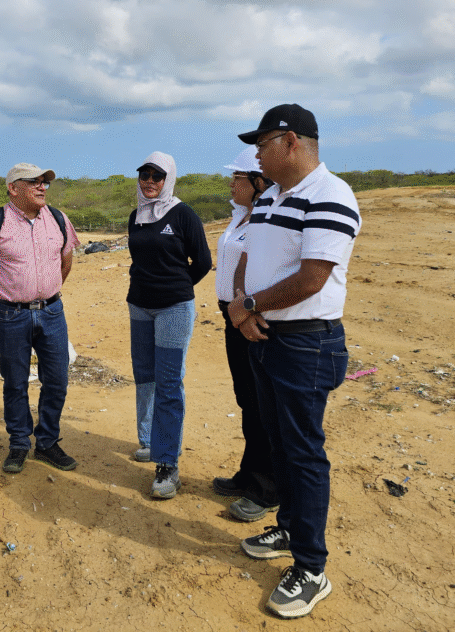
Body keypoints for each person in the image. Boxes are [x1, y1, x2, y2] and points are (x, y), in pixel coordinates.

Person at [227, 104, 361, 619]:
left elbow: (312, 278)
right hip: (264, 335)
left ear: (289, 142)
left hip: (306, 342)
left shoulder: (330, 195)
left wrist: (251, 307)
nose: (256, 153)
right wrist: (242, 309)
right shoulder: (271, 198)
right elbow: (245, 256)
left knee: (303, 451)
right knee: (278, 440)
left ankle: (311, 567)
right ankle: (290, 525)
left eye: (261, 143)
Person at [0, 163, 81, 474]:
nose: (42, 186)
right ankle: (19, 443)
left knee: (56, 379)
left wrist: (46, 295)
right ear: (13, 188)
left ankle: (47, 442)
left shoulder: (58, 219)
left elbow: (65, 262)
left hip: (52, 313)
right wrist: (0, 304)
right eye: (34, 182)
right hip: (10, 316)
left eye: (45, 182)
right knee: (15, 382)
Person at [127, 152, 212, 499]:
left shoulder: (183, 214)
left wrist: (176, 288)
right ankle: (149, 441)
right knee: (144, 376)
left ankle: (168, 464)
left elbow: (203, 262)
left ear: (169, 179)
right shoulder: (136, 216)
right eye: (144, 174)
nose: (149, 181)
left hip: (173, 310)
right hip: (139, 307)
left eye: (157, 176)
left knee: (168, 382)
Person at [212, 146, 279, 522]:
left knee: (261, 404)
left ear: (257, 182)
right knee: (246, 399)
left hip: (251, 319)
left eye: (236, 178)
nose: (231, 184)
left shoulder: (268, 220)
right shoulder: (242, 217)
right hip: (231, 317)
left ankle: (266, 489)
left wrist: (244, 308)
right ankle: (248, 473)